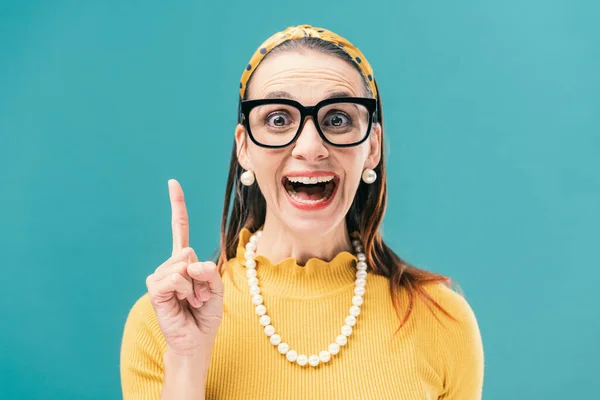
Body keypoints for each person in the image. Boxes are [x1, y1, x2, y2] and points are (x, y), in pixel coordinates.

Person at [120, 24, 484, 399]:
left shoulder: (442, 319)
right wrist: (186, 359)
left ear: (372, 147)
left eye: (338, 119)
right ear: (244, 148)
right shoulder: (162, 323)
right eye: (278, 119)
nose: (310, 147)